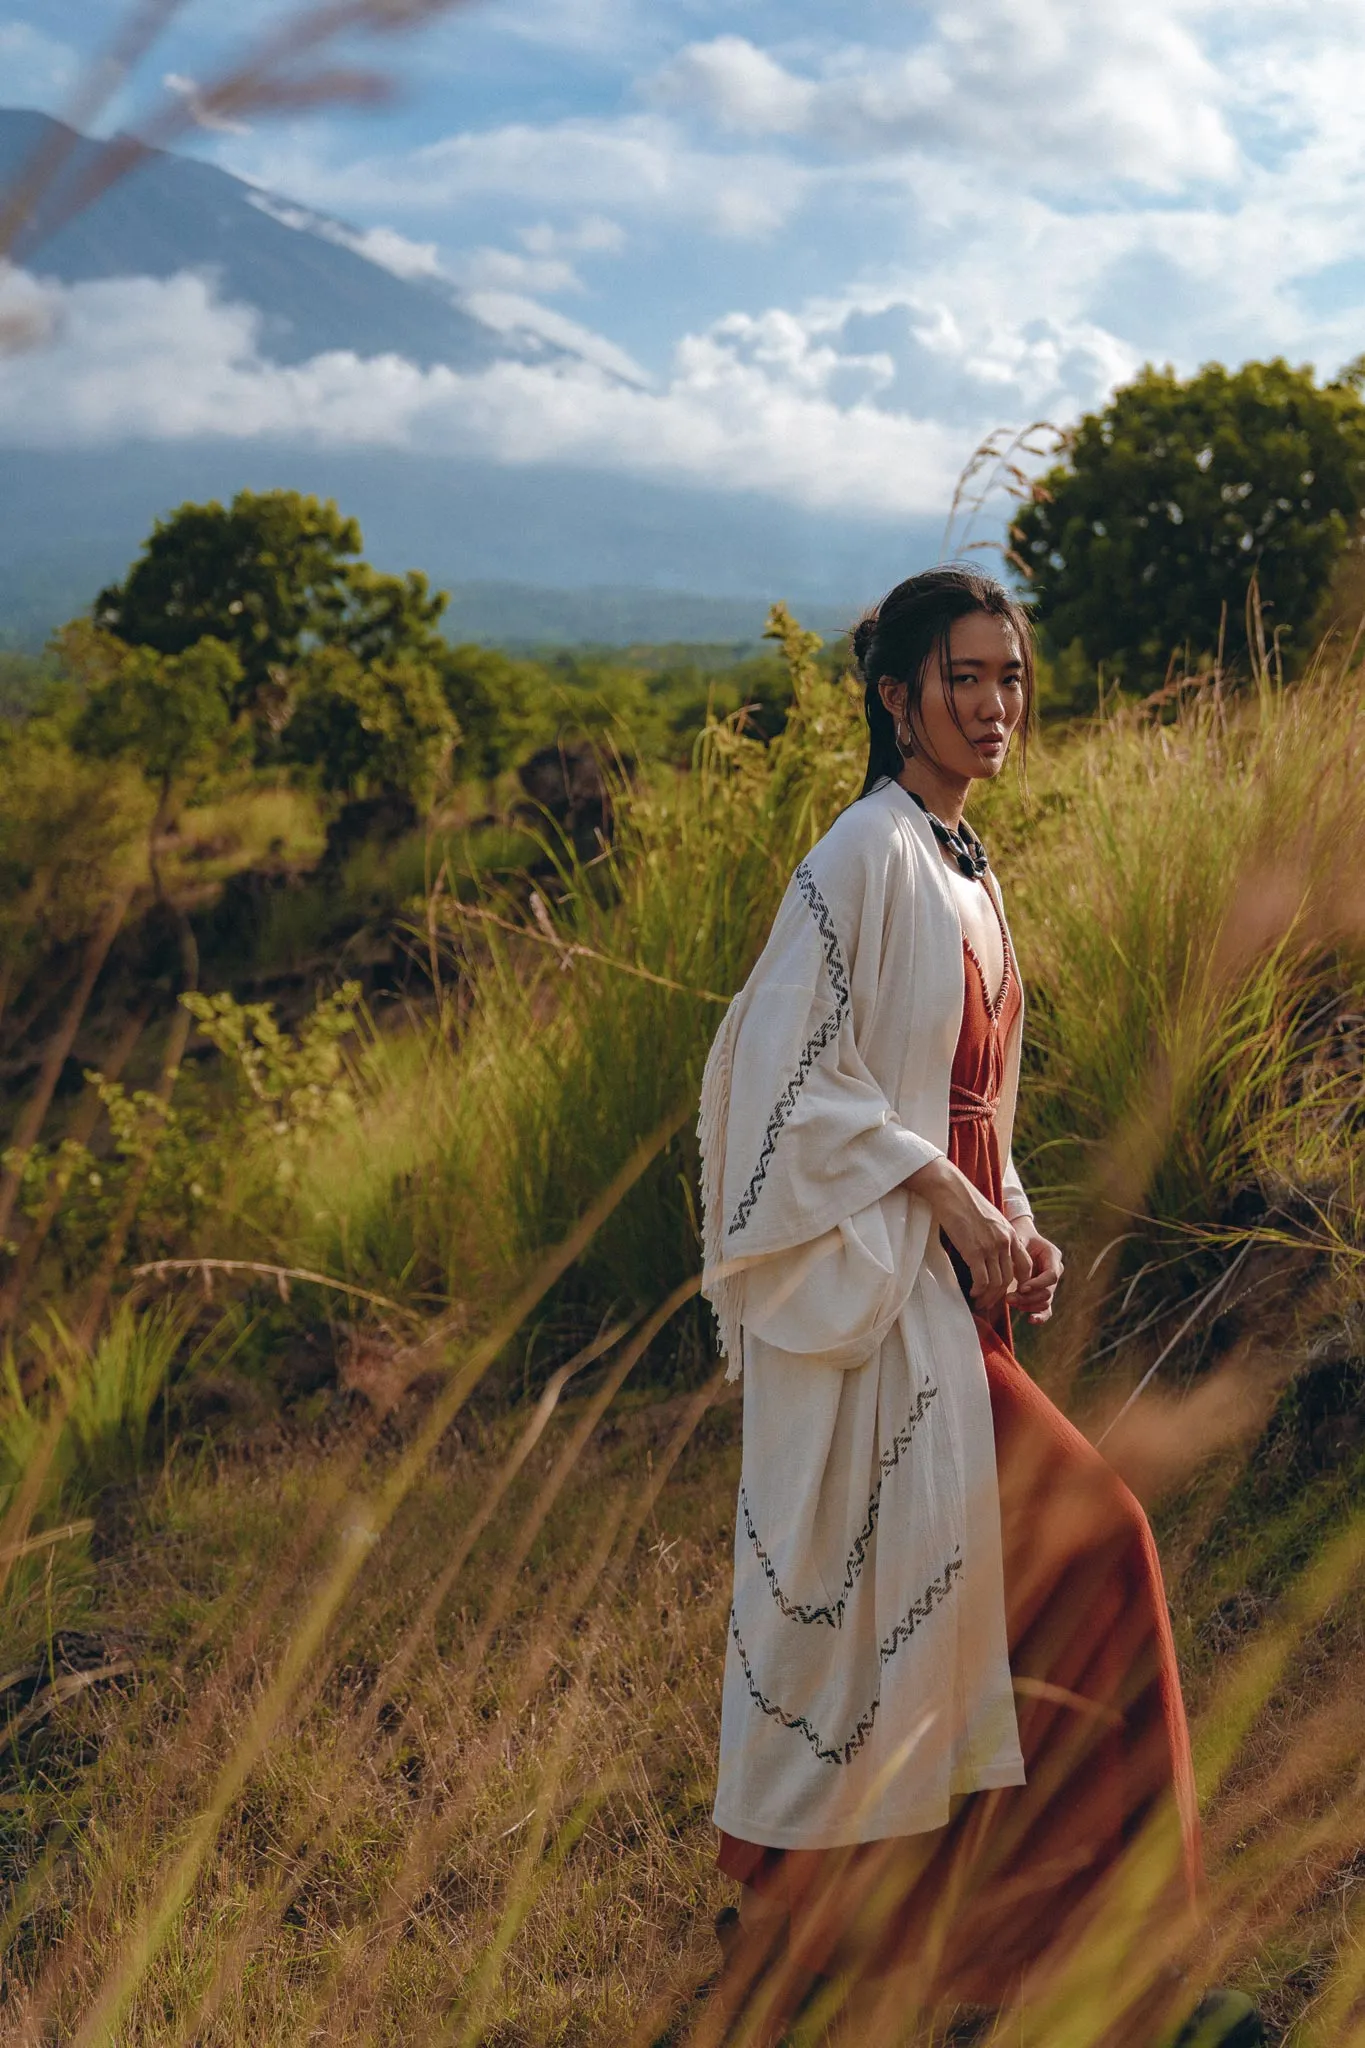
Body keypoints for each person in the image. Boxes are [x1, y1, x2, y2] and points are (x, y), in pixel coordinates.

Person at [695, 567, 1212, 2043]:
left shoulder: (967, 864)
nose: (994, 707)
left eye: (1012, 679)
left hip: (955, 1292)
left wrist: (1019, 1221)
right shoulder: (861, 854)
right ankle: (1092, 1948)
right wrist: (948, 1199)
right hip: (889, 1300)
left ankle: (991, 1950)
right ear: (894, 693)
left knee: (971, 1604)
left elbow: (967, 1096)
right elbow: (779, 1089)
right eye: (965, 679)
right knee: (1096, 1544)